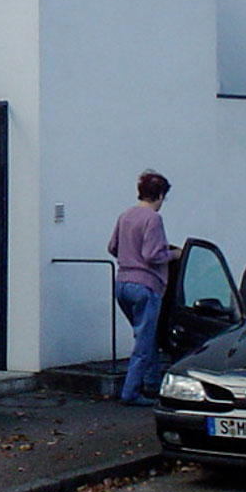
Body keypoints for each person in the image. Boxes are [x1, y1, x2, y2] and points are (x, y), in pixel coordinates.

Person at [107, 170, 176, 406]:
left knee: (147, 336)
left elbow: (112, 247)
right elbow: (152, 254)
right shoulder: (153, 219)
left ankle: (153, 384)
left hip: (122, 283)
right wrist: (174, 254)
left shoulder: (125, 215)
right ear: (158, 195)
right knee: (144, 343)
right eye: (163, 198)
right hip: (146, 286)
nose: (162, 203)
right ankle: (131, 393)